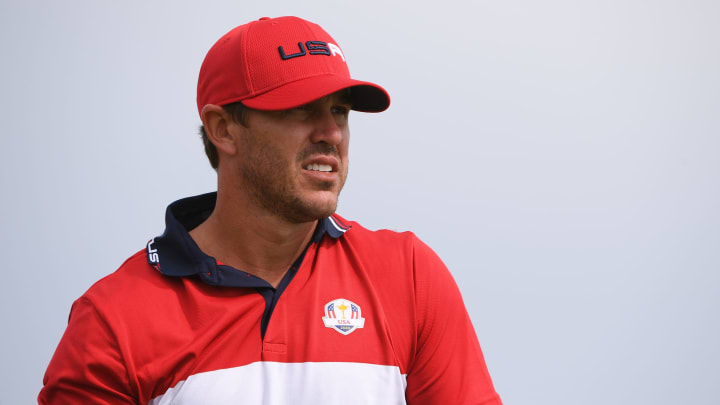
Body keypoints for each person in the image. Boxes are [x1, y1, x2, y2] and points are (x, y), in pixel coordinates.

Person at [39, 16, 502, 404]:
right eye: (301, 109)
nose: (331, 133)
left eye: (339, 111)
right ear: (223, 129)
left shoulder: (409, 275)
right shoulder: (113, 319)